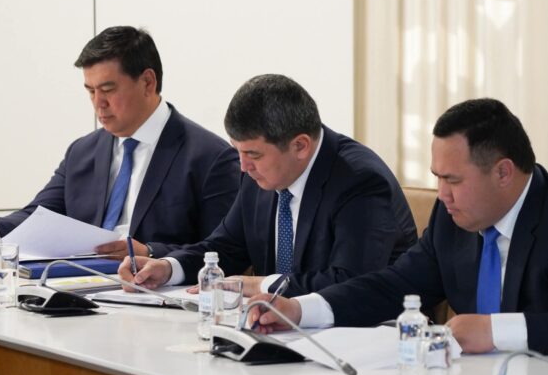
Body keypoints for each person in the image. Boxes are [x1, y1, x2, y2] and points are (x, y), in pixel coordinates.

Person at [248, 98, 548, 357]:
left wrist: (494, 331)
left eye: (453, 180)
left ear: (503, 172)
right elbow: (394, 286)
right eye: (437, 178)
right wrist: (301, 309)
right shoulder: (453, 217)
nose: (442, 194)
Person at [0, 26, 240, 259]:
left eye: (108, 89)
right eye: (90, 91)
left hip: (157, 300)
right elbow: (38, 215)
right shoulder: (83, 151)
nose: (98, 103)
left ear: (148, 82)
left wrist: (150, 252)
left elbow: (225, 252)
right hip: (80, 290)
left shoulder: (210, 156)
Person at [119, 73, 418, 297]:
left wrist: (260, 285)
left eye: (253, 154)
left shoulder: (360, 181)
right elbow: (225, 247)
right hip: (278, 328)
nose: (243, 166)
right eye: (238, 151)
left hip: (365, 334)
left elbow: (350, 282)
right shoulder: (259, 174)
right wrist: (169, 268)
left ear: (300, 145)